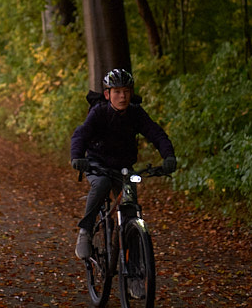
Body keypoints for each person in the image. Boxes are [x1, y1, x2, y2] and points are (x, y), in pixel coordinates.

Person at [70, 68, 176, 259]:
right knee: (102, 184)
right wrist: (77, 157)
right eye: (117, 92)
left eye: (126, 91)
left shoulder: (136, 113)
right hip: (97, 164)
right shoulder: (99, 113)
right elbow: (81, 134)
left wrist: (168, 156)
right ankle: (85, 232)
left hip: (124, 169)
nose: (123, 96)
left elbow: (156, 134)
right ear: (107, 94)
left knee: (130, 206)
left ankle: (130, 251)